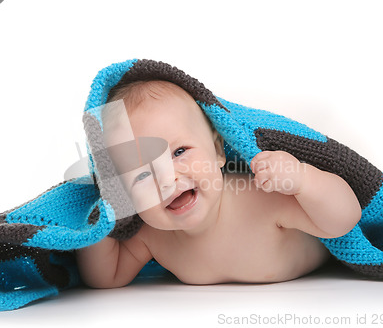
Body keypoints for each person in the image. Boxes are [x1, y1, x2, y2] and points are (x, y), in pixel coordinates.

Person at [76, 80, 362, 288]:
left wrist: (301, 178)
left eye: (179, 152)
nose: (167, 179)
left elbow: (343, 221)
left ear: (217, 151)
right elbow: (106, 277)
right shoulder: (154, 236)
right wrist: (102, 218)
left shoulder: (261, 197)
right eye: (141, 174)